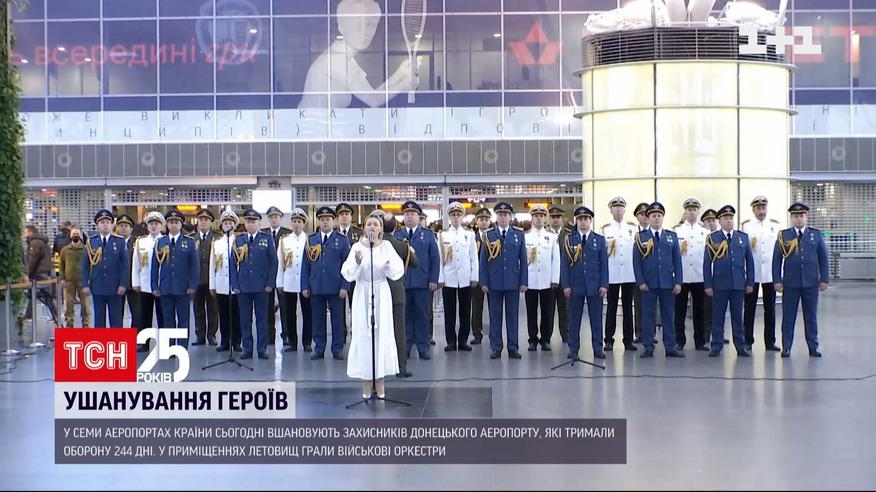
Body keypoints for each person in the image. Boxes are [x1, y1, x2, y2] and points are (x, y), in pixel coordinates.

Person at [342, 214, 405, 398]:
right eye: (369, 223)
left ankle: (381, 383)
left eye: (376, 224)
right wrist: (357, 263)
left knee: (381, 336)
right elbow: (347, 273)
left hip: (381, 294)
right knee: (364, 337)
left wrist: (388, 267)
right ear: (364, 228)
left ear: (381, 229)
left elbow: (398, 270)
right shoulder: (357, 247)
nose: (372, 226)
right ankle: (366, 384)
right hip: (362, 293)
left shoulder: (387, 246)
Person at [773, 203, 829, 358]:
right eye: (795, 216)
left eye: (801, 216)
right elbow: (776, 260)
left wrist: (824, 278)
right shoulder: (784, 236)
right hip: (790, 283)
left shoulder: (815, 235)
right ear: (791, 218)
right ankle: (787, 347)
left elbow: (823, 257)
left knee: (811, 317)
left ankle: (813, 346)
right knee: (788, 317)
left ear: (806, 217)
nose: (798, 219)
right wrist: (777, 280)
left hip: (811, 283)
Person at [632, 202, 684, 358]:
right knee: (648, 316)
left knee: (669, 316)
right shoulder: (641, 237)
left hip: (668, 283)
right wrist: (640, 281)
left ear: (663, 217)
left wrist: (678, 281)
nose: (656, 218)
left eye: (659, 215)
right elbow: (636, 262)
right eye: (653, 215)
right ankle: (648, 346)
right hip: (649, 283)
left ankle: (670, 346)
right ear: (648, 218)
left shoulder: (671, 236)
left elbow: (677, 261)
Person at [704, 205, 755, 357]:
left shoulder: (742, 237)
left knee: (738, 317)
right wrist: (708, 285)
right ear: (720, 221)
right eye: (725, 218)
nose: (729, 221)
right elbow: (707, 263)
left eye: (731, 218)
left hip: (738, 283)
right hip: (719, 284)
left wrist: (750, 282)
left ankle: (740, 345)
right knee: (718, 316)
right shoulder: (713, 238)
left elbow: (750, 262)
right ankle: (716, 345)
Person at [479, 202, 528, 360]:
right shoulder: (489, 235)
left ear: (510, 217)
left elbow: (523, 260)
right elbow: (483, 261)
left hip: (513, 280)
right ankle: (496, 347)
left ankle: (513, 348)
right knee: (495, 316)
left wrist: (523, 281)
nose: (503, 217)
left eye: (505, 214)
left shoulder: (518, 234)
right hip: (494, 281)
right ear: (496, 217)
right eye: (500, 214)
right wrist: (483, 282)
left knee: (512, 316)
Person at [302, 206, 351, 361]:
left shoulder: (342, 240)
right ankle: (319, 347)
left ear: (333, 221)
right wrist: (305, 286)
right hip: (316, 285)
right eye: (322, 220)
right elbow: (305, 265)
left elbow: (347, 265)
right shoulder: (311, 240)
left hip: (336, 286)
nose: (325, 222)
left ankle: (337, 348)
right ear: (319, 221)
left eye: (328, 219)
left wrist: (345, 286)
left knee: (337, 319)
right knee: (318, 319)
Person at [561, 206, 609, 360]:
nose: (583, 222)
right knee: (574, 320)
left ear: (590, 221)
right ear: (576, 221)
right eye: (580, 219)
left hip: (595, 285)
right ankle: (573, 349)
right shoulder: (570, 240)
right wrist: (566, 285)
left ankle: (598, 348)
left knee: (596, 319)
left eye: (586, 219)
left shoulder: (599, 240)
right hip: (575, 285)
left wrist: (604, 284)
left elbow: (604, 265)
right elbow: (564, 265)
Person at [394, 201, 440, 360]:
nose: (409, 217)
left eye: (412, 214)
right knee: (404, 317)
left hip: (422, 282)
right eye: (407, 214)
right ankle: (405, 348)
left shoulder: (428, 234)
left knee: (423, 316)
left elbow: (435, 259)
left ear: (418, 217)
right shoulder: (397, 235)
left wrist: (433, 279)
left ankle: (423, 347)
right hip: (403, 283)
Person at [230, 209, 278, 360]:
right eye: (248, 222)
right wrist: (235, 284)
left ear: (259, 223)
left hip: (262, 286)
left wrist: (270, 283)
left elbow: (274, 263)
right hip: (243, 285)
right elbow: (232, 264)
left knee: (262, 319)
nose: (250, 224)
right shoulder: (239, 240)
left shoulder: (267, 239)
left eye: (253, 221)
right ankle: (247, 349)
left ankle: (262, 349)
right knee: (245, 320)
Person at [151, 210, 199, 348]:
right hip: (165, 287)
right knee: (168, 320)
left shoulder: (189, 242)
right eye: (171, 222)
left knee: (183, 320)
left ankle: (182, 347)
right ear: (166, 224)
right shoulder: (160, 242)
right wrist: (154, 285)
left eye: (176, 222)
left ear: (181, 224)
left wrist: (192, 285)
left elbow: (194, 267)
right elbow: (155, 266)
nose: (173, 225)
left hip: (183, 287)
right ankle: (170, 347)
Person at [378, 211, 417, 378]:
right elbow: (415, 263)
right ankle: (401, 367)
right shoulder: (402, 245)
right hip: (397, 292)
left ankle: (379, 367)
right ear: (395, 227)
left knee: (379, 330)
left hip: (378, 292)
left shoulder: (374, 244)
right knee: (399, 330)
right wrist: (410, 251)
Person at [741, 195, 782, 351]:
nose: (761, 210)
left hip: (769, 273)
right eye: (758, 208)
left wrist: (779, 274)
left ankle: (770, 342)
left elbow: (779, 252)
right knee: (749, 309)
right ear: (753, 210)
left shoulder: (775, 226)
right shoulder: (746, 226)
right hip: (753, 273)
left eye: (763, 207)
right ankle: (747, 340)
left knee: (770, 309)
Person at [438, 202, 479, 352]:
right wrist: (440, 278)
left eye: (458, 215)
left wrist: (474, 276)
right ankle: (450, 341)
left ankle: (463, 340)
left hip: (465, 278)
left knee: (465, 311)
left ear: (462, 217)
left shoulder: (469, 235)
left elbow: (473, 257)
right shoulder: (442, 235)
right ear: (449, 217)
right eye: (453, 215)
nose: (455, 218)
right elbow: (439, 259)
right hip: (449, 277)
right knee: (449, 311)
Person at [601, 197, 638, 352]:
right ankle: (609, 340)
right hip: (612, 274)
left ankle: (628, 340)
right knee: (611, 307)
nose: (618, 210)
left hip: (629, 273)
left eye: (620, 207)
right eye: (615, 207)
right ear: (610, 210)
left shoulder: (633, 229)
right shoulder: (605, 230)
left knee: (628, 308)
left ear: (624, 210)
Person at [82, 210, 129, 328]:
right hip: (97, 285)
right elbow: (85, 265)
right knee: (99, 319)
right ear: (97, 225)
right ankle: (101, 340)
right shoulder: (91, 241)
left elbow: (125, 265)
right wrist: (85, 284)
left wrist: (123, 284)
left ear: (112, 225)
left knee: (116, 320)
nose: (105, 225)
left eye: (108, 222)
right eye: (102, 222)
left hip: (115, 287)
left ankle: (116, 339)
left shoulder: (119, 241)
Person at [673, 198, 709, 351]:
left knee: (699, 311)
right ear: (685, 211)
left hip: (699, 276)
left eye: (694, 209)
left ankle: (700, 341)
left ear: (698, 211)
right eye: (689, 209)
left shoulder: (706, 232)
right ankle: (679, 341)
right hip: (682, 276)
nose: (692, 212)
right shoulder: (676, 231)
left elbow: (708, 257)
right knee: (679, 311)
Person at [524, 204, 560, 351]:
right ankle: (532, 339)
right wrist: (523, 280)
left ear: (546, 219)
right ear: (531, 219)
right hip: (531, 280)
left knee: (547, 312)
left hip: (547, 280)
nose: (538, 218)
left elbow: (556, 259)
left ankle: (545, 339)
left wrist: (555, 279)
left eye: (541, 216)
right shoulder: (525, 237)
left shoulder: (552, 237)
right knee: (531, 312)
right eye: (536, 216)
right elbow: (522, 261)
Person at [276, 208, 312, 352]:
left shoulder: (309, 239)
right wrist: (279, 283)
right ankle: (292, 342)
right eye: (294, 221)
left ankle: (307, 342)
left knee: (307, 313)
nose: (296, 224)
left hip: (304, 282)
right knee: (289, 313)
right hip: (289, 281)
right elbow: (280, 262)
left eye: (299, 221)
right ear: (291, 223)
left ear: (303, 224)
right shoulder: (284, 240)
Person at [131, 212, 165, 351]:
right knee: (144, 316)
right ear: (147, 226)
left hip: (161, 284)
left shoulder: (166, 241)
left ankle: (164, 345)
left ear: (161, 226)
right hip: (144, 283)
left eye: (156, 224)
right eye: (151, 224)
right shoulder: (141, 241)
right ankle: (144, 343)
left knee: (163, 316)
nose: (153, 226)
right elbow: (136, 263)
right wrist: (136, 282)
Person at [210, 210, 242, 352]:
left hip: (236, 285)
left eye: (230, 223)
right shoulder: (216, 243)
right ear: (222, 226)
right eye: (225, 223)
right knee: (223, 314)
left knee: (236, 314)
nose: (228, 225)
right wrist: (212, 284)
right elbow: (212, 265)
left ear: (235, 225)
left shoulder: (240, 242)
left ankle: (236, 342)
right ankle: (224, 341)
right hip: (221, 284)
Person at [263, 206, 291, 347]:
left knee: (285, 307)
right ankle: (270, 335)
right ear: (268, 219)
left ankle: (286, 335)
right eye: (271, 217)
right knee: (267, 307)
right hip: (267, 275)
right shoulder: (263, 234)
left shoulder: (287, 234)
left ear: (281, 218)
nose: (274, 220)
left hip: (283, 274)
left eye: (276, 217)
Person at [192, 209, 220, 346]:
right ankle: (200, 335)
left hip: (211, 279)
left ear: (211, 222)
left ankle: (212, 335)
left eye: (206, 220)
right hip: (197, 280)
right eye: (201, 220)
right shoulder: (192, 238)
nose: (203, 222)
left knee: (213, 309)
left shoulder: (217, 238)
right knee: (198, 309)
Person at [336, 202, 363, 340]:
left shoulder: (359, 233)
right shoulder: (333, 233)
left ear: (351, 216)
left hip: (355, 276)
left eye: (347, 214)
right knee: (338, 308)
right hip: (338, 276)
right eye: (341, 214)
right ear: (337, 218)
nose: (344, 217)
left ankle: (356, 331)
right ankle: (341, 333)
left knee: (356, 305)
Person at [23, 225, 59, 327]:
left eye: (25, 232)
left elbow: (32, 260)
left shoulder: (34, 243)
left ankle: (55, 315)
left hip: (38, 273)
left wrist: (27, 273)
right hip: (43, 272)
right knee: (36, 294)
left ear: (30, 232)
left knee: (42, 295)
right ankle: (28, 315)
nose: (24, 234)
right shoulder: (41, 242)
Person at [547, 206, 571, 343]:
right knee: (548, 310)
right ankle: (546, 337)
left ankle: (566, 335)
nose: (555, 220)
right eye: (553, 217)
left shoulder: (569, 235)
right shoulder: (544, 234)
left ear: (563, 219)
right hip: (548, 279)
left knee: (565, 309)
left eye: (558, 217)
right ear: (549, 219)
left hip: (564, 278)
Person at [59, 227, 90, 328]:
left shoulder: (86, 249)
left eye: (77, 234)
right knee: (68, 305)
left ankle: (86, 324)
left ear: (80, 236)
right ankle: (69, 324)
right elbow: (61, 265)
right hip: (69, 281)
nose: (75, 235)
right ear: (70, 235)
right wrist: (62, 278)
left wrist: (89, 279)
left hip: (83, 281)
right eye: (73, 234)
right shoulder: (65, 250)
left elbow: (90, 264)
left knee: (85, 305)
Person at [469, 207, 492, 345]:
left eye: (486, 219)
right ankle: (477, 334)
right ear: (477, 221)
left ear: (490, 221)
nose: (484, 222)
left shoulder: (494, 236)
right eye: (481, 219)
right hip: (477, 277)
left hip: (492, 277)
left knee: (493, 307)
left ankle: (494, 333)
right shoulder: (471, 237)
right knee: (476, 307)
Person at [115, 215, 138, 329]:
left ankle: (135, 336)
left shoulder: (137, 242)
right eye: (121, 226)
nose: (123, 228)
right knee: (117, 314)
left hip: (133, 283)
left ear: (131, 228)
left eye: (126, 226)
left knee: (136, 314)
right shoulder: (112, 241)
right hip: (117, 283)